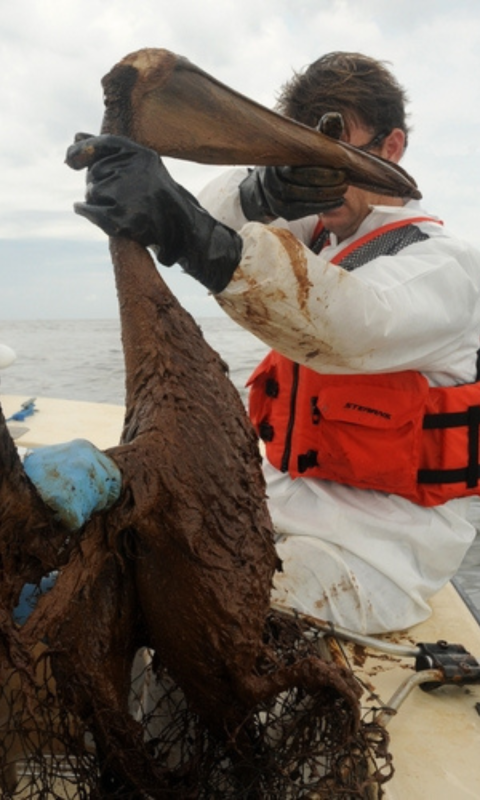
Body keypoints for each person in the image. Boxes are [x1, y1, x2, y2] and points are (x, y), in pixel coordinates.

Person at [48, 50, 480, 635]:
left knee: (206, 613)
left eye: (337, 146)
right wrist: (263, 192)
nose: (318, 164)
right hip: (271, 519)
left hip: (375, 555)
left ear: (392, 147)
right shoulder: (317, 239)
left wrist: (192, 234)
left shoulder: (446, 266)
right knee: (110, 565)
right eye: (301, 146)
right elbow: (222, 214)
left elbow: (347, 322)